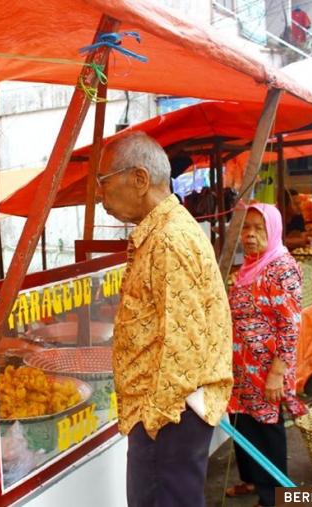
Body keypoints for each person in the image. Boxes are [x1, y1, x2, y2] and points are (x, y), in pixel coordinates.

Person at [97, 131, 233, 507]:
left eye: (104, 182)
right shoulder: (167, 230)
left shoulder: (168, 239)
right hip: (168, 411)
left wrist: (152, 421)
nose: (100, 195)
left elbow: (182, 346)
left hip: (167, 415)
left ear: (139, 179)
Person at [226, 203, 307, 507]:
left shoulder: (281, 268)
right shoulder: (249, 267)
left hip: (267, 368)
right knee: (243, 423)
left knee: (266, 427)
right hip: (243, 366)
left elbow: (290, 326)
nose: (249, 235)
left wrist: (277, 373)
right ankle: (251, 480)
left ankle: (273, 496)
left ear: (272, 231)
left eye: (259, 229)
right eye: (246, 227)